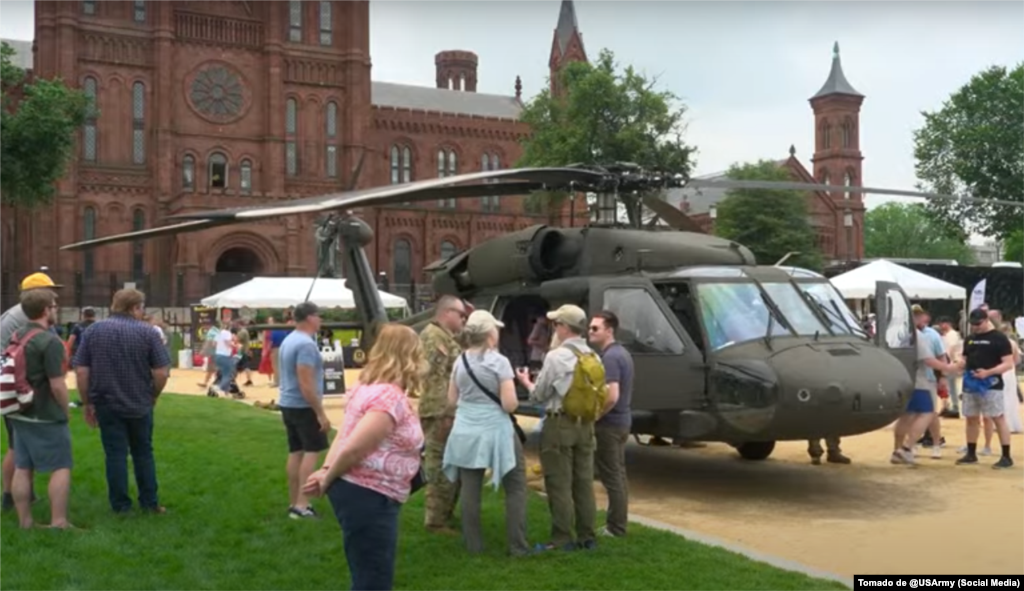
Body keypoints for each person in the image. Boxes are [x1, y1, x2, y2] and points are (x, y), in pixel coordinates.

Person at [302, 324, 426, 591]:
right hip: (369, 494)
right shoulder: (388, 397)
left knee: (367, 570)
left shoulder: (366, 386)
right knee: (373, 578)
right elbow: (354, 448)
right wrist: (327, 476)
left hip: (364, 492)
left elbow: (344, 434)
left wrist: (326, 469)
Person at [74, 288, 172, 513]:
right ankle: (149, 502)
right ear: (135, 307)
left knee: (115, 454)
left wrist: (87, 402)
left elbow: (81, 370)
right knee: (143, 452)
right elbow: (161, 372)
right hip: (140, 401)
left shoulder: (94, 330)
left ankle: (120, 506)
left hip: (106, 402)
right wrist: (153, 395)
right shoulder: (148, 333)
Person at [442, 310, 529, 556]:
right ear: (490, 333)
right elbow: (509, 405)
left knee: (470, 489)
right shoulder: (499, 362)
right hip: (497, 429)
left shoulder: (460, 361)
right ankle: (518, 545)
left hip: (466, 429)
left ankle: (473, 546)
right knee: (515, 486)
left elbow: (451, 401)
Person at [515, 304, 600, 552]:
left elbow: (539, 396)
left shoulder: (556, 356)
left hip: (559, 423)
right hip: (585, 424)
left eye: (556, 324)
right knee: (583, 482)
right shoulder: (593, 356)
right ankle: (587, 536)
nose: (554, 328)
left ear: (564, 327)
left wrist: (526, 382)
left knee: (558, 482)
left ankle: (562, 538)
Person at [7, 288, 73, 528]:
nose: (56, 309)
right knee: (61, 466)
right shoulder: (49, 341)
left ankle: (25, 522)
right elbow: (57, 385)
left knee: (23, 467)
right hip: (44, 412)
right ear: (46, 310)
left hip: (18, 409)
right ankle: (59, 521)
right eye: (54, 306)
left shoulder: (18, 334)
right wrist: (65, 411)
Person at [0, 271, 61, 511]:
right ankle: (10, 495)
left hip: (16, 389)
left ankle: (20, 495)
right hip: (18, 391)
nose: (55, 296)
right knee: (17, 445)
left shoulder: (20, 314)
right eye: (50, 291)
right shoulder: (25, 316)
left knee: (21, 445)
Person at [277, 302, 330, 519]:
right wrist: (320, 413)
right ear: (309, 317)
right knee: (311, 451)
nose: (321, 319)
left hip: (288, 402)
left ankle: (294, 502)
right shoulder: (306, 345)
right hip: (303, 405)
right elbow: (306, 383)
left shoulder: (289, 339)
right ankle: (302, 505)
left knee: (296, 451)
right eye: (318, 315)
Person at [418, 295, 467, 533]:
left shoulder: (446, 337)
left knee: (451, 464)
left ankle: (445, 514)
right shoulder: (434, 337)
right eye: (461, 314)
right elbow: (435, 378)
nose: (463, 319)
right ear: (447, 313)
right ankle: (435, 521)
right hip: (439, 412)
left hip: (447, 411)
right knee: (439, 466)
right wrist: (447, 412)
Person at [586, 310, 634, 537]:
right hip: (621, 422)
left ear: (609, 331)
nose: (590, 331)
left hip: (610, 425)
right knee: (618, 475)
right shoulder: (621, 353)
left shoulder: (611, 357)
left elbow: (612, 395)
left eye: (595, 328)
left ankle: (616, 527)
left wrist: (596, 415)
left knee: (612, 477)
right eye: (590, 327)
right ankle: (617, 523)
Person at [956, 308, 1014, 469]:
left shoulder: (999, 338)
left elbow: (1008, 363)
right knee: (971, 417)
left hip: (991, 384)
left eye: (978, 324)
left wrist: (988, 372)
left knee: (997, 418)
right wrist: (960, 363)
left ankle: (1006, 455)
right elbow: (965, 357)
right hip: (971, 383)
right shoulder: (970, 339)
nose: (975, 327)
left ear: (986, 320)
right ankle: (971, 452)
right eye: (973, 324)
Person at [890, 327, 957, 465]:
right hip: (919, 381)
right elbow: (928, 359)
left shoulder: (894, 332)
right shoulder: (917, 335)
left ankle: (897, 450)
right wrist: (948, 368)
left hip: (901, 379)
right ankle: (906, 448)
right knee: (927, 413)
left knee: (906, 415)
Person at [937, 316, 963, 418]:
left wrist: (947, 361)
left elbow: (950, 349)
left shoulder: (952, 334)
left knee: (951, 386)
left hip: (952, 362)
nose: (941, 326)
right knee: (949, 386)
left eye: (942, 324)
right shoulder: (947, 335)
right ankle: (949, 406)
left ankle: (954, 407)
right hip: (951, 361)